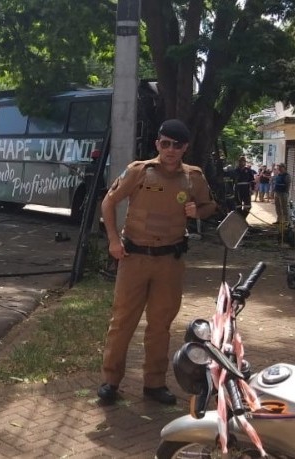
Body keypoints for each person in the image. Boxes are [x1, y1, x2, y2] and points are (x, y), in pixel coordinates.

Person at [97, 119, 216, 405]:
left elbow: (210, 205)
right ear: (157, 144)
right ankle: (110, 381)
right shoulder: (140, 171)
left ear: (185, 147)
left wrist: (196, 211)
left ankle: (154, 384)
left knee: (160, 325)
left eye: (177, 145)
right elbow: (108, 203)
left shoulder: (193, 177)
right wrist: (113, 240)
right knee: (122, 322)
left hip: (170, 262)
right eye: (165, 143)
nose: (171, 150)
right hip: (134, 258)